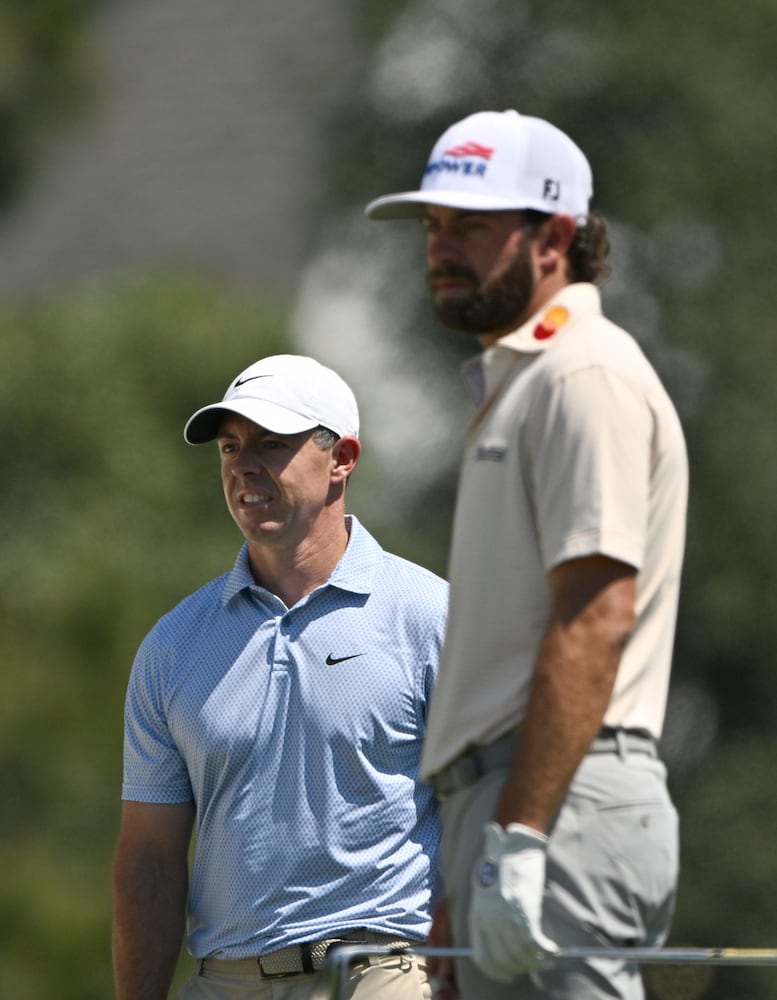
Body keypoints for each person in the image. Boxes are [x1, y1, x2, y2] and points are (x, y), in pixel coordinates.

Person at [365, 109, 688, 1000]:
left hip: (560, 800)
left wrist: (517, 840)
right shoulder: (531, 381)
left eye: (470, 226)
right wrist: (472, 855)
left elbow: (596, 617)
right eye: (433, 226)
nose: (441, 247)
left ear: (553, 237)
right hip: (520, 803)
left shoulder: (583, 374)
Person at [111, 353, 448, 1000]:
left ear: (341, 458)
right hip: (224, 980)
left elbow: (483, 807)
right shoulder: (173, 645)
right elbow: (149, 856)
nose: (243, 465)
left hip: (381, 972)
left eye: (271, 443)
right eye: (230, 447)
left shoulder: (428, 615)